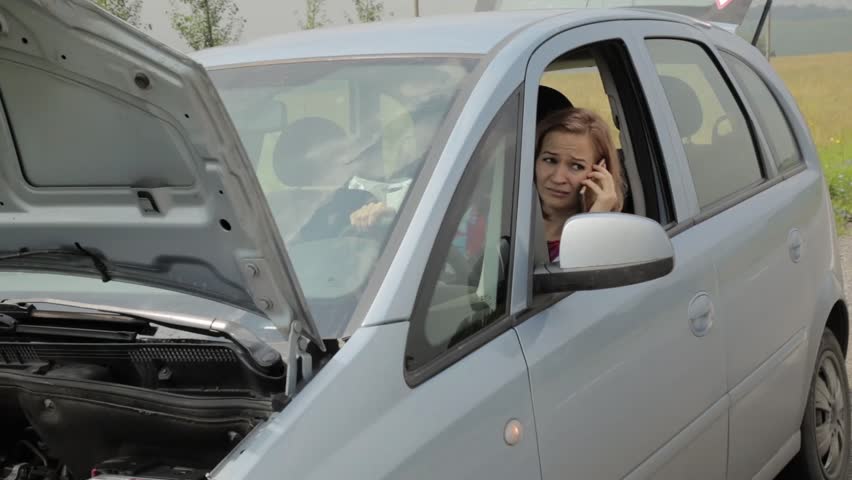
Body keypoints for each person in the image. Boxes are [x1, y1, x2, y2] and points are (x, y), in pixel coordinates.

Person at [535, 107, 626, 262]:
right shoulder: (500, 219)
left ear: (600, 172)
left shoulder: (609, 243)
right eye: (550, 160)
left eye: (576, 166)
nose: (558, 178)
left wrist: (594, 222)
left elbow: (568, 283)